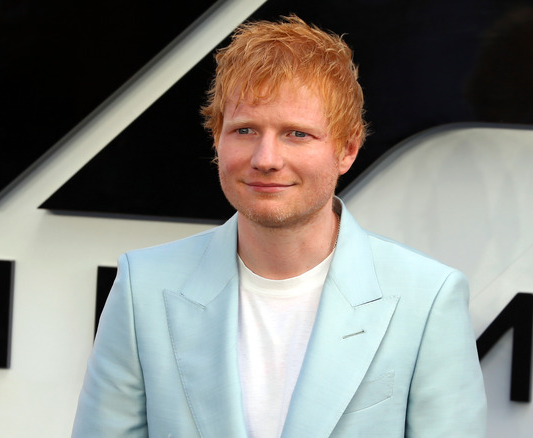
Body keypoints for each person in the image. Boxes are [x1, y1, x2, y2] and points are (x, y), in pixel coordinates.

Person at [72, 15, 486, 438]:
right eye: (245, 130)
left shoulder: (428, 298)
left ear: (347, 150)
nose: (265, 158)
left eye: (297, 134)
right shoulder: (144, 286)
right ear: (217, 140)